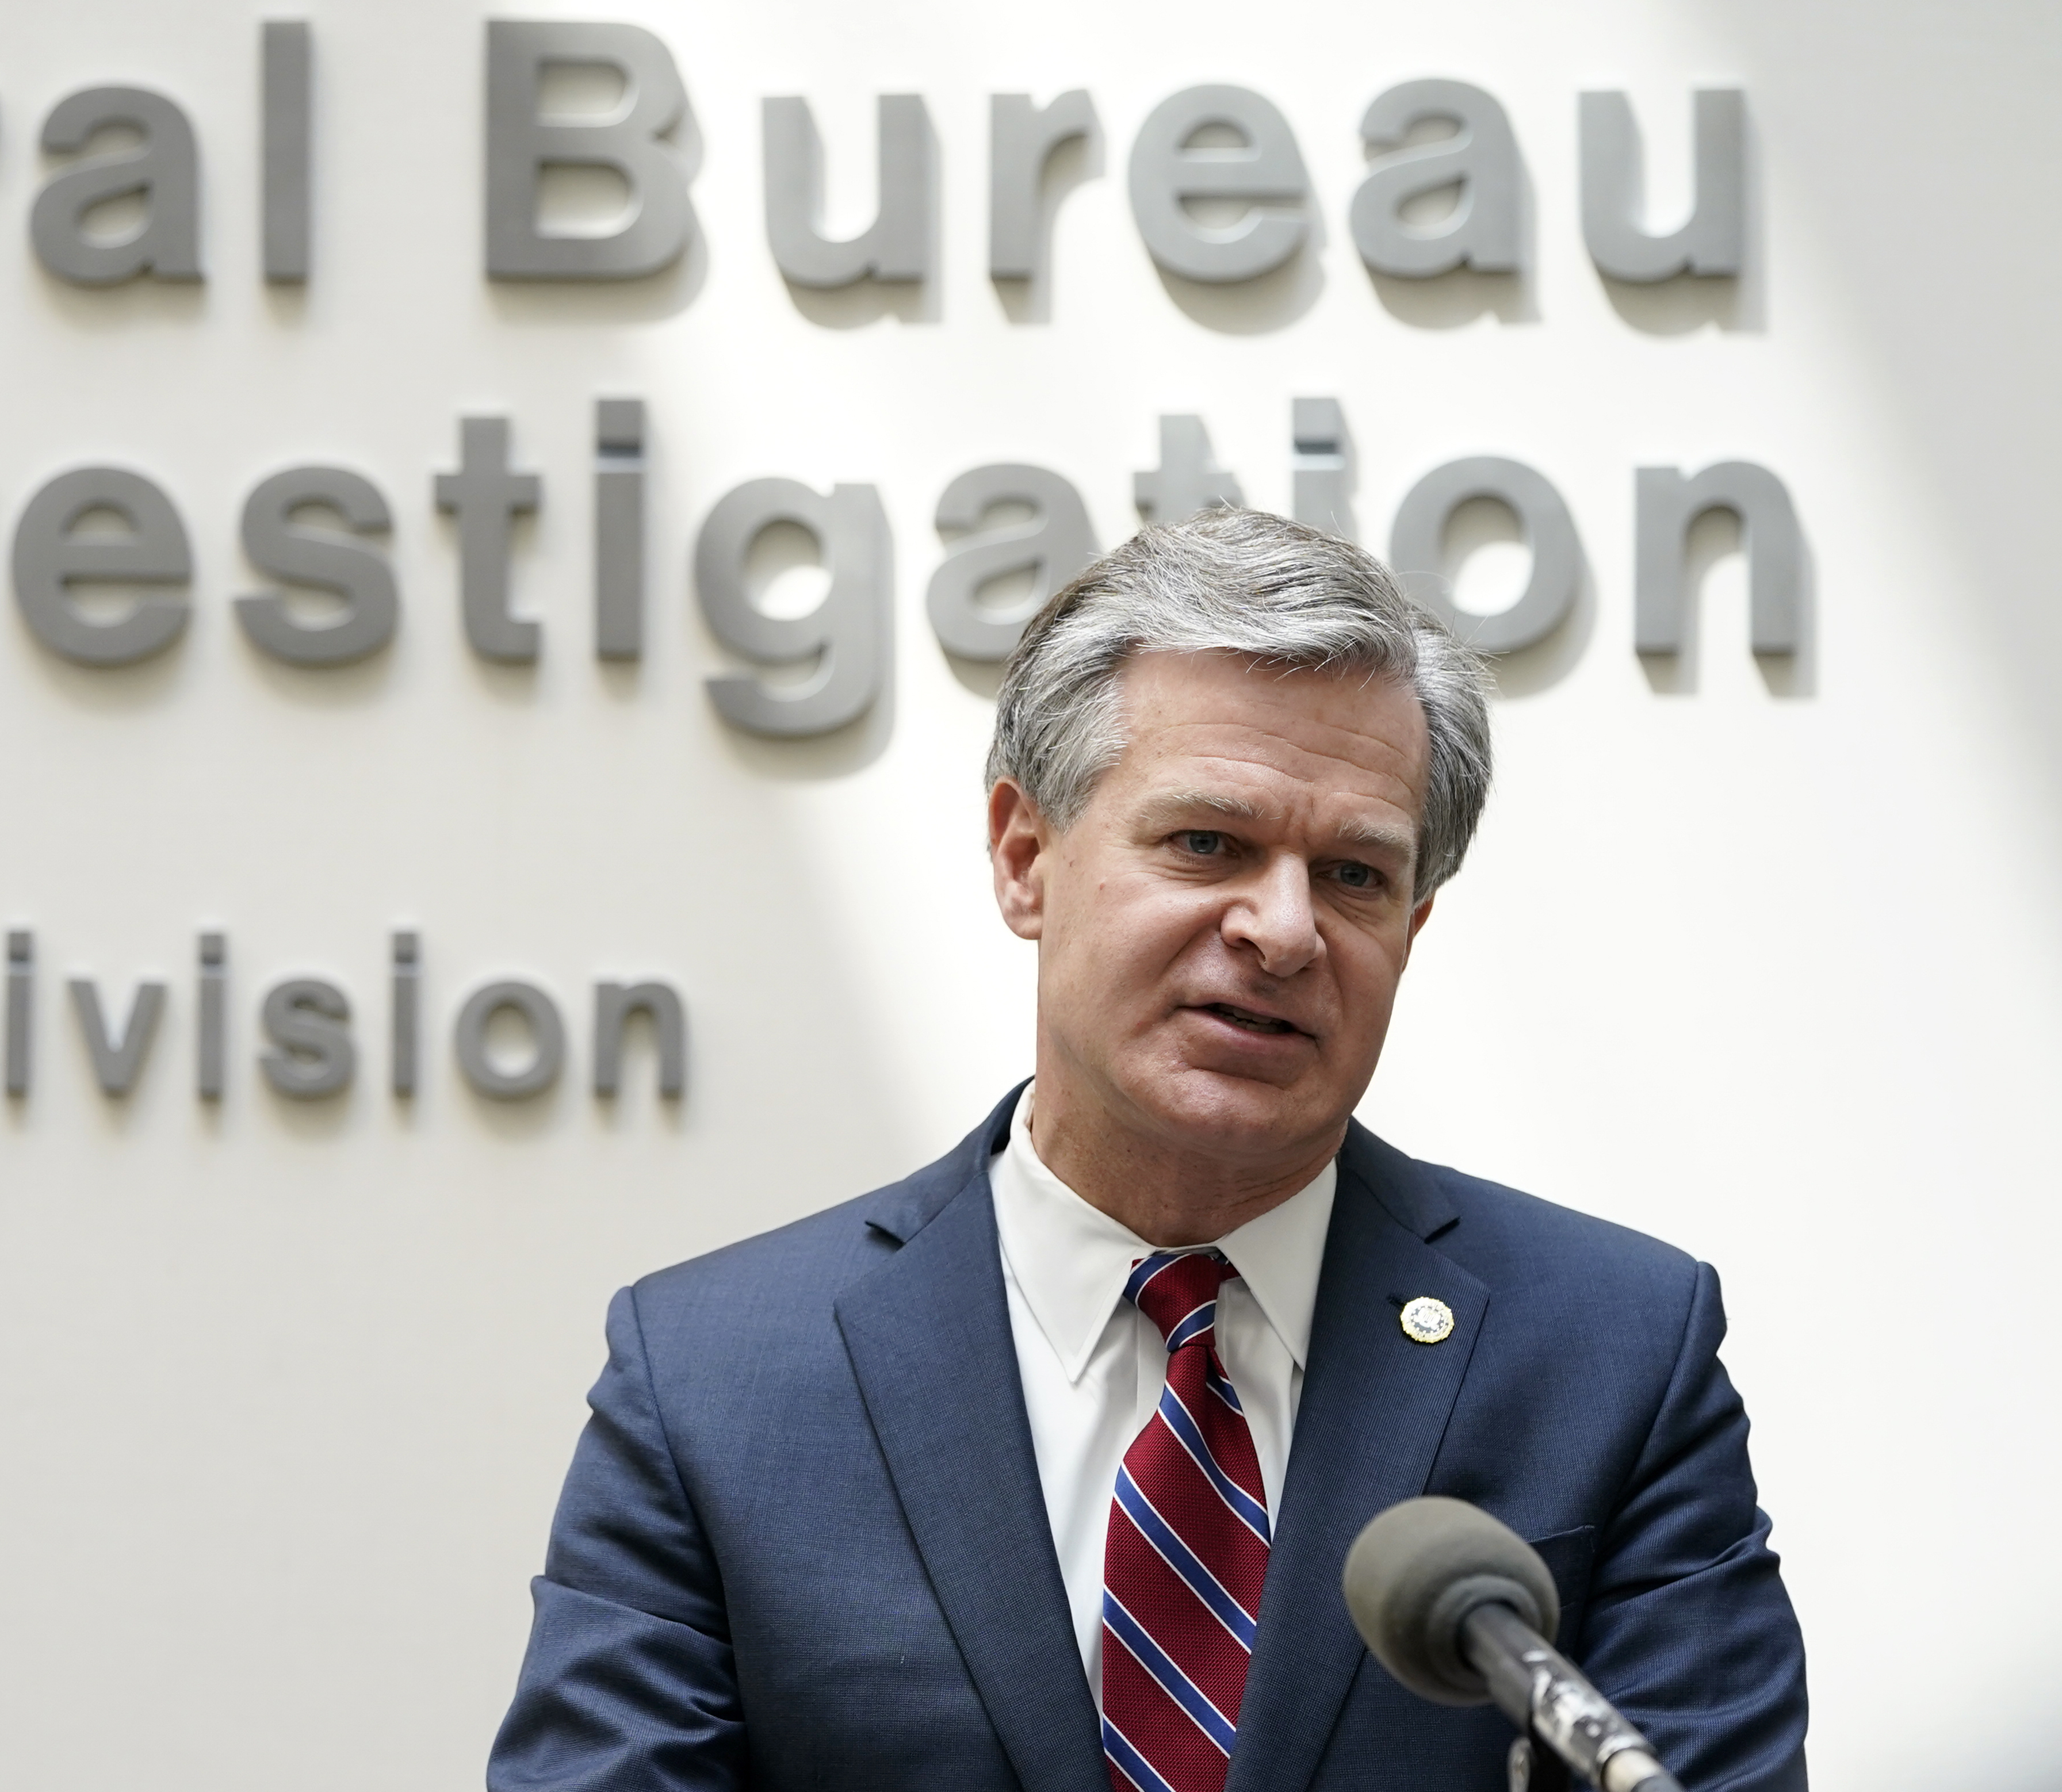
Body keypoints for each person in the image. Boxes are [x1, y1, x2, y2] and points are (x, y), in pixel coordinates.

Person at [487, 511, 1805, 1792]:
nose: (1283, 929)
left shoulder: (1611, 1351)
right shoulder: (716, 1380)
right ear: (1023, 855)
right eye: (1206, 843)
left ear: (1415, 919)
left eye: (1354, 874)